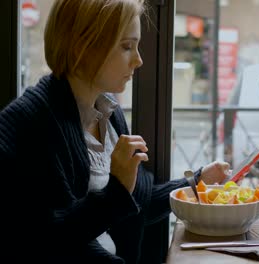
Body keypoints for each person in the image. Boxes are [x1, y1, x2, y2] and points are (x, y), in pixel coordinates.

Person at [0, 0, 230, 263]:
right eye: (126, 46)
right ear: (82, 47)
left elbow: (135, 202)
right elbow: (51, 240)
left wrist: (197, 183)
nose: (139, 60)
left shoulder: (108, 111)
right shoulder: (33, 125)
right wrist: (118, 189)